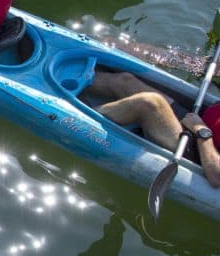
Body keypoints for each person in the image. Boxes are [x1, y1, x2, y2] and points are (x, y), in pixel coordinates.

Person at [85, 70, 220, 187]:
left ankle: (82, 114)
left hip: (201, 151)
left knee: (149, 102)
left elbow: (216, 176)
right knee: (125, 80)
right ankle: (75, 77)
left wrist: (201, 131)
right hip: (196, 121)